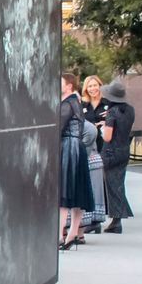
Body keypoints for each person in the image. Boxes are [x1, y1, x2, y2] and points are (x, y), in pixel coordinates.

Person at [59, 73, 96, 250]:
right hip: (76, 147)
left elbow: (58, 126)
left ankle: (60, 234)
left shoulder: (69, 103)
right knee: (76, 192)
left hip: (69, 147)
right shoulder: (75, 101)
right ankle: (72, 233)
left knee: (65, 193)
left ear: (69, 86)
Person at [99, 80, 136, 233]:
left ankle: (117, 219)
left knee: (111, 185)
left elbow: (107, 137)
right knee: (118, 183)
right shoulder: (130, 110)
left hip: (110, 152)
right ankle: (118, 218)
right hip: (124, 149)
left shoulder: (112, 113)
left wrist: (102, 126)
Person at [79, 76, 109, 236]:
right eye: (89, 86)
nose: (92, 88)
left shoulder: (107, 104)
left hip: (104, 144)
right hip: (90, 146)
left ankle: (100, 217)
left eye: (95, 85)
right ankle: (92, 220)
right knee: (93, 182)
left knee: (101, 182)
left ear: (100, 86)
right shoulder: (82, 105)